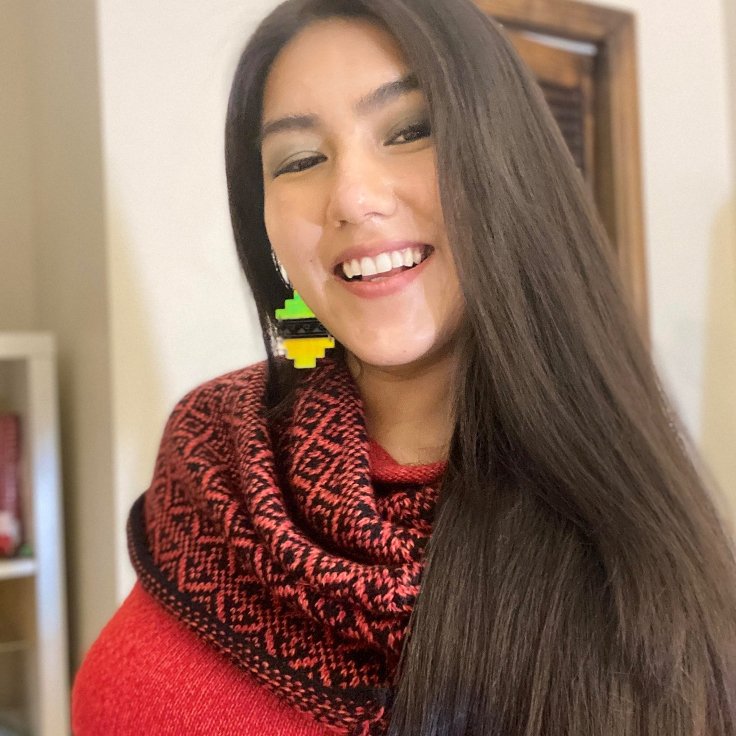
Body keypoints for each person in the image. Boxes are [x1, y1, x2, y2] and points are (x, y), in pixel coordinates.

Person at [71, 0, 736, 734]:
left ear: (509, 162)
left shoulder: (626, 557)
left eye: (411, 130)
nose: (353, 199)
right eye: (299, 160)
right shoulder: (213, 447)